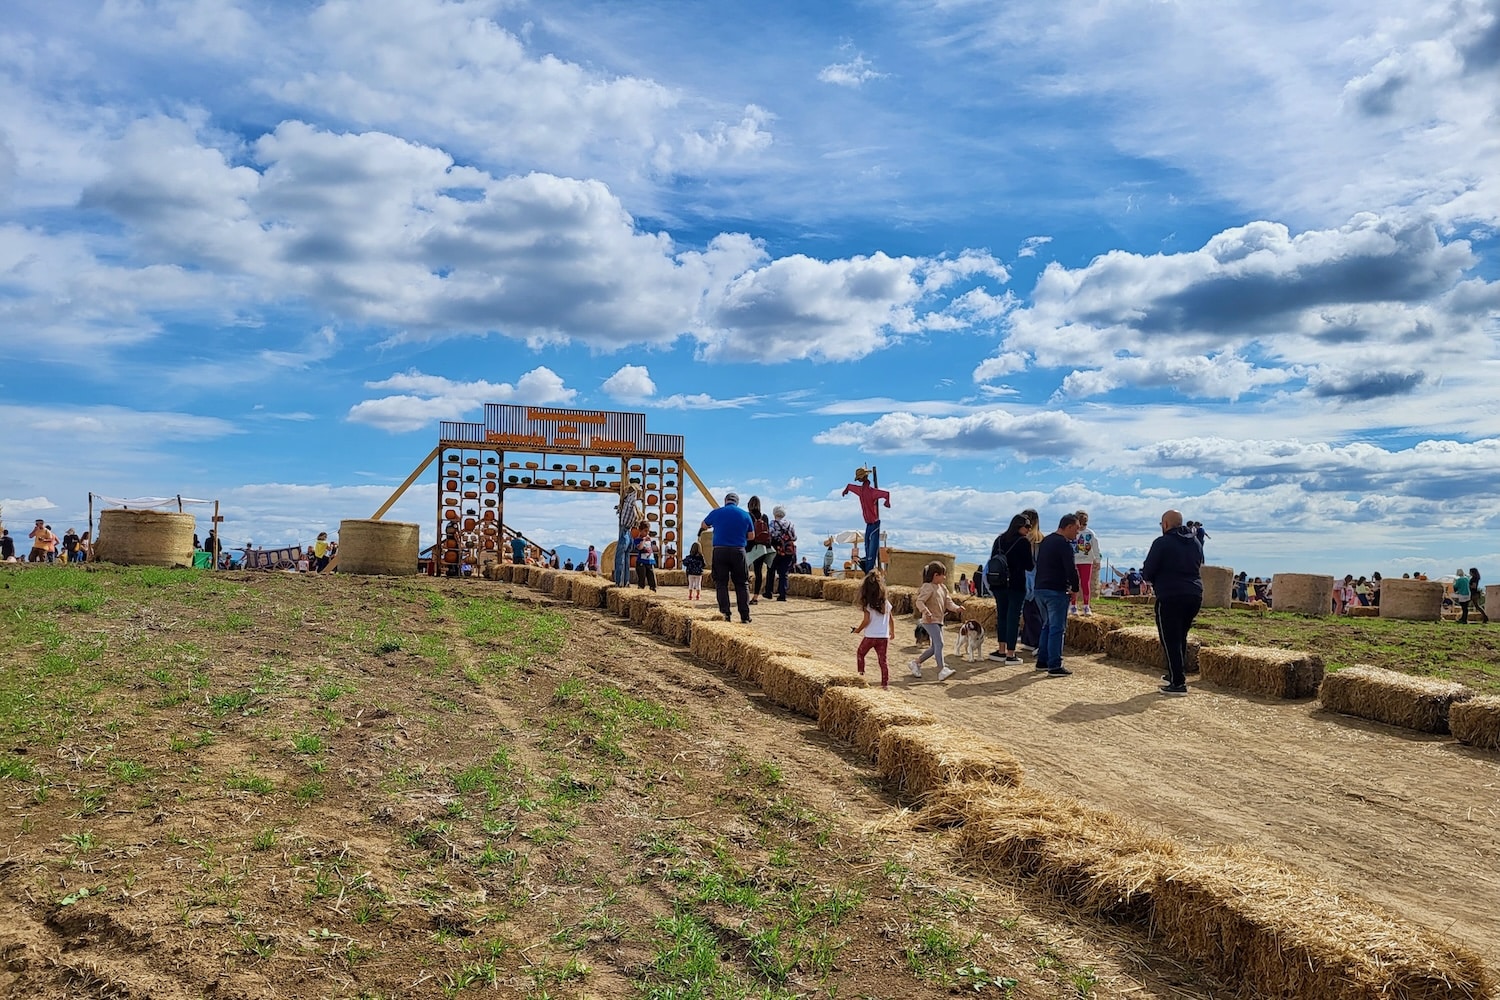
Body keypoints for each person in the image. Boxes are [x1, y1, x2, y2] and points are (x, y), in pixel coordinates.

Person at [1142, 509, 1204, 696]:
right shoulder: (1195, 542)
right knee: (1180, 636)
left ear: (1166, 524)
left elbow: (1148, 570)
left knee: (1169, 638)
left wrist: (1151, 577)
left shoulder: (1162, 543)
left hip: (1170, 594)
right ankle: (1175, 674)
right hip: (1194, 594)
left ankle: (1178, 682)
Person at [1032, 514, 1081, 677]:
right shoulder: (1064, 545)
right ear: (1068, 527)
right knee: (1057, 628)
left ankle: (1042, 661)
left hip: (1040, 589)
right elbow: (1071, 569)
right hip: (1056, 590)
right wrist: (1075, 588)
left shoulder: (1046, 541)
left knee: (1047, 625)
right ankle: (1054, 664)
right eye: (1076, 528)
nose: (1077, 533)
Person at [986, 514, 1035, 665]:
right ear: (1019, 526)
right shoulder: (1023, 542)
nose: (1029, 530)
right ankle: (1011, 653)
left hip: (998, 584)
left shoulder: (999, 540)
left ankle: (1001, 650)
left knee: (1002, 616)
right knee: (1013, 618)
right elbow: (1030, 565)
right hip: (1016, 585)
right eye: (1027, 526)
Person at [699, 492, 754, 623]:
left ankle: (725, 613)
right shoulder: (745, 514)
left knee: (721, 583)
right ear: (737, 502)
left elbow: (703, 525)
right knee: (742, 584)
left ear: (725, 501)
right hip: (738, 550)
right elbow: (752, 536)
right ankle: (745, 616)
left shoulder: (717, 512)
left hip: (720, 550)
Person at [909, 561, 964, 681]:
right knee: (940, 644)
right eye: (943, 575)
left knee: (935, 647)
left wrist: (957, 609)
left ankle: (916, 662)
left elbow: (948, 602)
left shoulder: (942, 588)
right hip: (930, 621)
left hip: (939, 621)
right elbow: (919, 601)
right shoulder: (928, 587)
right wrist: (926, 612)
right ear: (935, 575)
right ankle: (941, 669)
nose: (945, 577)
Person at [841, 467, 890, 572]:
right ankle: (867, 567)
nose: (858, 480)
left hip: (874, 524)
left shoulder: (871, 492)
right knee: (868, 549)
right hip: (869, 524)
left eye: (859, 478)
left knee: (871, 552)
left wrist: (887, 502)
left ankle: (869, 571)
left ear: (863, 477)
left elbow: (886, 494)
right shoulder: (862, 490)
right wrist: (846, 490)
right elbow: (850, 486)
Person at [851, 570, 894, 689]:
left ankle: (861, 677)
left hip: (870, 636)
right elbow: (891, 618)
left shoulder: (868, 604)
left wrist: (858, 630)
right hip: (883, 637)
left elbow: (866, 620)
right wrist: (892, 631)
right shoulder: (886, 603)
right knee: (883, 661)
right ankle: (885, 684)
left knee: (860, 653)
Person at [1070, 510, 1101, 615]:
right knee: (1073, 582)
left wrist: (1097, 560)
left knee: (1085, 583)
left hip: (1087, 561)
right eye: (1080, 524)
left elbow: (1096, 548)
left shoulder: (1090, 533)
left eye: (1085, 524)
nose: (1082, 526)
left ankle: (1086, 605)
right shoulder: (1073, 532)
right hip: (1074, 560)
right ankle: (1073, 605)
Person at [745, 496, 774, 604]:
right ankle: (755, 597)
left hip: (749, 546)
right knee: (758, 572)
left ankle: (745, 594)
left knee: (745, 571)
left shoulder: (747, 515)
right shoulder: (764, 516)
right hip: (761, 547)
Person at [765, 505, 797, 601]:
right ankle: (782, 594)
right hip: (788, 551)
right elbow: (794, 537)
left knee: (771, 570)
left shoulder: (772, 524)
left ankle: (769, 592)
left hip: (776, 550)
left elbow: (769, 536)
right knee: (784, 573)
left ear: (774, 514)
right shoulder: (790, 524)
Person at [613, 486, 642, 586]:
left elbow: (631, 496)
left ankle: (619, 582)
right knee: (626, 560)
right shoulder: (634, 507)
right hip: (629, 534)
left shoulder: (629, 503)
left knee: (619, 559)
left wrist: (634, 489)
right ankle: (626, 582)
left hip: (624, 532)